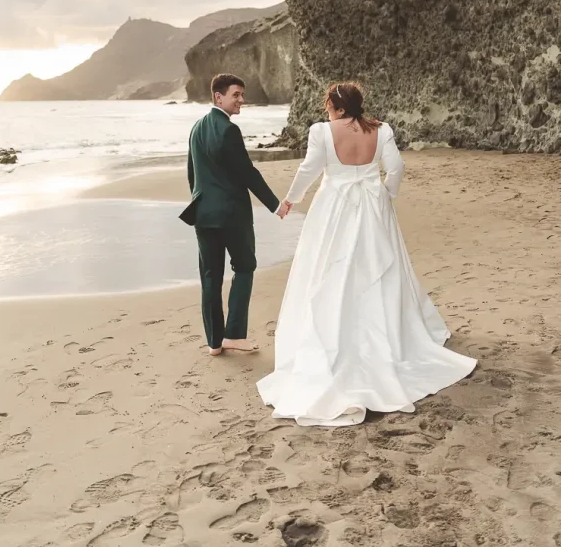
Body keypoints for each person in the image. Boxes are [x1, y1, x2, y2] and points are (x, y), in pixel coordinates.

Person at [257, 81, 476, 426]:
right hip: (373, 207)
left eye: (328, 105)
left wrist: (290, 200)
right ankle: (389, 334)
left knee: (331, 268)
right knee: (378, 268)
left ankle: (336, 333)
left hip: (335, 209)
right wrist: (385, 193)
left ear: (340, 109)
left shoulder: (322, 132)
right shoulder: (381, 129)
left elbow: (309, 170)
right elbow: (397, 168)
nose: (325, 111)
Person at [181, 73, 290, 356]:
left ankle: (214, 343)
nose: (242, 100)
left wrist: (201, 200)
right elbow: (247, 173)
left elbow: (193, 174)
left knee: (210, 276)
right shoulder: (228, 130)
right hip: (231, 214)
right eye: (236, 95)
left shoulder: (196, 128)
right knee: (244, 267)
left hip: (203, 213)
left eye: (242, 94)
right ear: (219, 97)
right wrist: (275, 205)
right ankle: (234, 335)